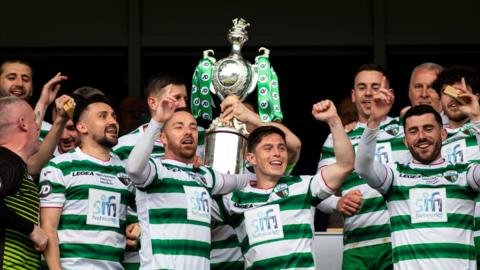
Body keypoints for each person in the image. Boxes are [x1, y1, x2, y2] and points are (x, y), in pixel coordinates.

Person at [355, 78, 480, 269]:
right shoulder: (395, 177)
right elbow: (363, 166)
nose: (421, 136)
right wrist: (373, 121)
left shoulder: (465, 173)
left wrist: (477, 118)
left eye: (428, 129)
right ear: (405, 141)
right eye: (413, 131)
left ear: (443, 134)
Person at [213, 99, 353, 269]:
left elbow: (345, 165)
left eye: (281, 148)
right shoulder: (234, 200)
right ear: (251, 158)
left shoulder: (303, 186)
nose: (277, 154)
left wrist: (334, 121)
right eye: (268, 148)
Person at [125, 91, 256, 269]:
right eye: (178, 127)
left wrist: (256, 122)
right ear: (162, 137)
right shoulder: (156, 170)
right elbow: (132, 169)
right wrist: (157, 122)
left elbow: (249, 179)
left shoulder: (206, 175)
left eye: (193, 127)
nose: (188, 132)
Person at [317, 64, 410, 270]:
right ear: (353, 95)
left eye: (375, 86)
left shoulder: (407, 130)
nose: (368, 93)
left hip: (400, 242)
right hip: (356, 246)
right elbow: (319, 193)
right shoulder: (338, 138)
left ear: (390, 94)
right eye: (362, 87)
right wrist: (338, 203)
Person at [39, 95, 139, 269]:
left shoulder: (126, 170)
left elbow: (142, 214)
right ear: (82, 127)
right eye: (103, 116)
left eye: (114, 116)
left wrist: (138, 226)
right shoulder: (60, 166)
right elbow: (48, 227)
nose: (112, 121)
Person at [210, 96, 302, 270]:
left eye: (244, 119)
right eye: (235, 117)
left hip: (246, 261)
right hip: (210, 258)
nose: (240, 124)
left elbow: (294, 145)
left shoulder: (269, 168)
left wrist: (250, 116)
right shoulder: (210, 157)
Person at [431, 65, 480, 264]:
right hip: (450, 239)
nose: (452, 99)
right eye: (446, 93)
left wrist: (476, 117)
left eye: (458, 92)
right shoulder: (429, 138)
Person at [0, 97, 48, 269]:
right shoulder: (6, 161)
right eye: (34, 121)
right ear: (23, 123)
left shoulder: (15, 164)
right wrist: (31, 230)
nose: (38, 126)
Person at [113, 73, 205, 161]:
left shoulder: (201, 135)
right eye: (176, 98)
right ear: (153, 103)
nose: (183, 105)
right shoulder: (124, 146)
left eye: (185, 99)